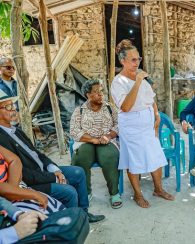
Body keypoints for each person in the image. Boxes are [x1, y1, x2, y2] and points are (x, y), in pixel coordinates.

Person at [0, 91, 105, 222]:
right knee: (69, 191)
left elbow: (37, 153)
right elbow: (23, 173)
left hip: (42, 171)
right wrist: (53, 177)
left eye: (13, 105)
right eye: (8, 107)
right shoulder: (1, 139)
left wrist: (54, 169)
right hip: (31, 183)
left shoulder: (16, 130)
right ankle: (72, 223)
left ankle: (83, 214)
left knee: (78, 172)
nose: (13, 110)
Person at [111, 39, 174, 208]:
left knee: (155, 156)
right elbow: (125, 106)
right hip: (131, 126)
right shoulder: (118, 82)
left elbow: (150, 98)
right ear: (122, 61)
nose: (136, 62)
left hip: (147, 124)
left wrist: (156, 114)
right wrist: (137, 81)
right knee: (134, 160)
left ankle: (158, 189)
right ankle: (137, 194)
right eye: (133, 59)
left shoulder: (143, 79)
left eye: (138, 59)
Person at [70, 79, 122, 208]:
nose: (100, 94)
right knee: (81, 157)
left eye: (101, 91)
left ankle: (114, 193)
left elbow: (119, 124)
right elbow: (74, 131)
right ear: (88, 94)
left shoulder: (109, 107)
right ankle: (85, 192)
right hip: (86, 141)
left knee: (110, 156)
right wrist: (92, 139)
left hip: (106, 140)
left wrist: (109, 135)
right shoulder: (79, 111)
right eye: (96, 92)